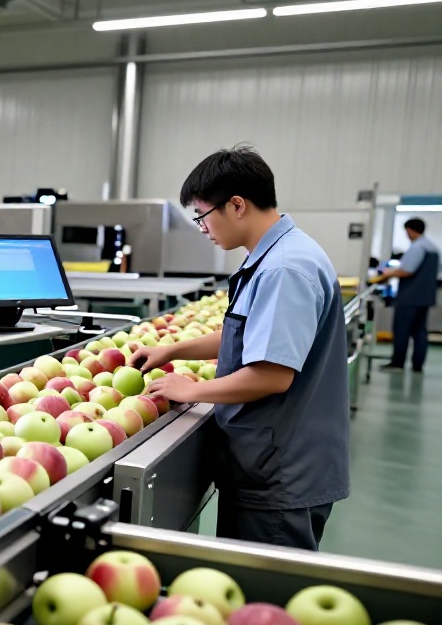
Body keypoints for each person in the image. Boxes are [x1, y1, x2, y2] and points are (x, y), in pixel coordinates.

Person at [130, 147, 349, 551]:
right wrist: (172, 350)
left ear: (236, 205)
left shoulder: (284, 269)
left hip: (281, 470)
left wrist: (190, 390)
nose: (201, 227)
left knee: (264, 599)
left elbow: (272, 374)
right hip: (269, 460)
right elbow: (251, 337)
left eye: (201, 215)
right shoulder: (273, 257)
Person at [373, 218, 439, 372]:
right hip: (425, 297)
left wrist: (387, 274)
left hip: (410, 297)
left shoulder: (417, 248)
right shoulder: (434, 249)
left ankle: (398, 363)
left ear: (410, 230)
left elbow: (407, 270)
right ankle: (418, 365)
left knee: (402, 330)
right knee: (420, 332)